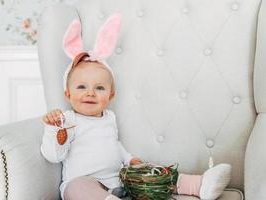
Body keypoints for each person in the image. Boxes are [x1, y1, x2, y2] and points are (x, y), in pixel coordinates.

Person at [40, 13, 232, 200]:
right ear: (68, 94)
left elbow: (113, 145)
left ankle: (197, 185)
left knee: (149, 171)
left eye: (99, 88)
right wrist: (53, 128)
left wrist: (130, 160)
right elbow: (54, 156)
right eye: (81, 87)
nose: (90, 93)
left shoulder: (109, 118)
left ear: (110, 95)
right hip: (83, 185)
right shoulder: (67, 120)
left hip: (118, 181)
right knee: (77, 187)